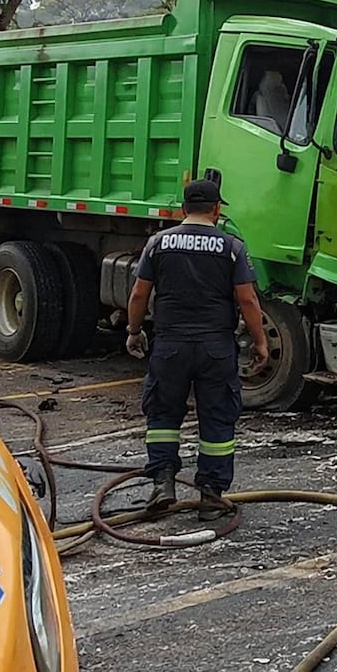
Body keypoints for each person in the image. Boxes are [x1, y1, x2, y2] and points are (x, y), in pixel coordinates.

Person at [125, 179, 269, 520]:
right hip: (215, 348)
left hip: (169, 346)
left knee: (162, 414)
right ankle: (210, 495)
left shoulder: (157, 244)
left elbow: (138, 295)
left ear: (182, 209)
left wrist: (134, 332)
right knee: (217, 418)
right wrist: (260, 341)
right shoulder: (232, 246)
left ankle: (162, 482)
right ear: (217, 210)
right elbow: (247, 299)